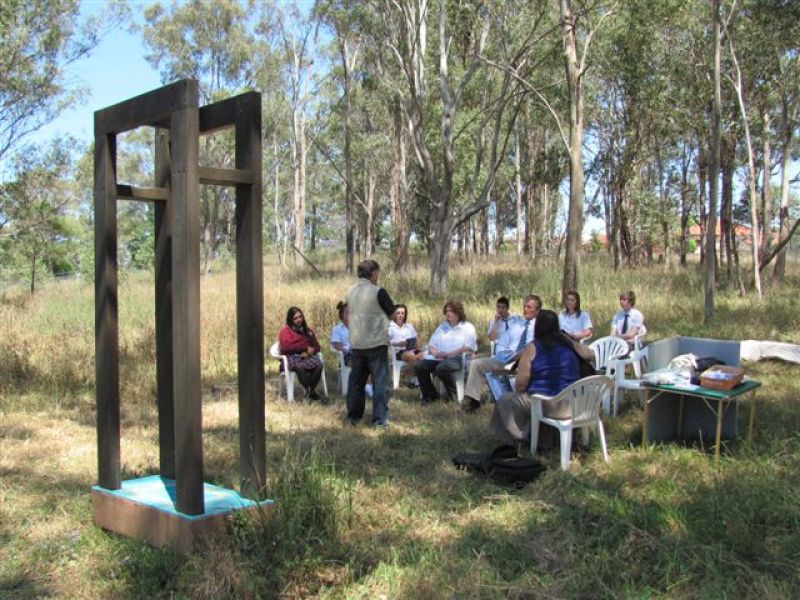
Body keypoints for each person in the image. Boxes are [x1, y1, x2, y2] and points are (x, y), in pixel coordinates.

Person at [489, 309, 595, 450]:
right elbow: (590, 354)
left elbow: (520, 385)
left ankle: (519, 439)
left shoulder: (533, 348)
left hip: (547, 405)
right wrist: (569, 340)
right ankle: (548, 438)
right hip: (574, 404)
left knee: (506, 400)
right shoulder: (569, 345)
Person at [461, 294, 541, 413]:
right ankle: (472, 402)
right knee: (476, 364)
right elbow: (501, 341)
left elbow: (536, 347)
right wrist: (500, 353)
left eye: (529, 307)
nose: (525, 309)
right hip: (505, 357)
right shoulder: (517, 325)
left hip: (521, 360)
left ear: (537, 310)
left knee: (500, 371)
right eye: (524, 306)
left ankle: (505, 405)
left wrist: (516, 356)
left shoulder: (539, 326)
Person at [344, 259, 397, 427]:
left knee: (356, 384)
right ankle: (380, 421)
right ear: (373, 273)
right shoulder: (378, 291)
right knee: (380, 384)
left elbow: (346, 315)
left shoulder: (349, 291)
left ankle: (353, 418)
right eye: (378, 273)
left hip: (357, 344)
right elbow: (394, 314)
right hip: (376, 344)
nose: (378, 276)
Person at [414, 299, 477, 404]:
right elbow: (431, 344)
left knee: (442, 368)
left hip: (456, 358)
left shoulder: (467, 327)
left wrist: (448, 354)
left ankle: (454, 394)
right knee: (420, 366)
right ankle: (430, 395)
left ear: (458, 312)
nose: (448, 313)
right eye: (446, 310)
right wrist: (435, 353)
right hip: (438, 357)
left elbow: (468, 347)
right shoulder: (442, 327)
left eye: (451, 310)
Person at [278, 306, 326, 401]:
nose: (299, 320)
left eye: (300, 317)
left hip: (306, 357)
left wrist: (310, 352)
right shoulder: (285, 331)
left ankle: (309, 392)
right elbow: (285, 347)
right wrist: (304, 347)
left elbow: (317, 346)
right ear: (291, 320)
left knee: (319, 365)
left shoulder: (307, 331)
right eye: (295, 318)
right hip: (291, 357)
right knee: (299, 367)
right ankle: (311, 393)